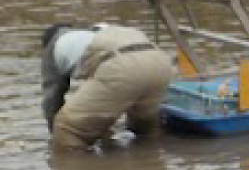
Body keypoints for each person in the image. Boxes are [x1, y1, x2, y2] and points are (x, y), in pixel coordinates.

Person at [41, 22, 174, 149]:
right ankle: (153, 163)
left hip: (121, 65)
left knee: (68, 129)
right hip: (160, 61)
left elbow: (52, 100)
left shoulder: (53, 47)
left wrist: (55, 134)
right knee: (144, 130)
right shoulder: (95, 33)